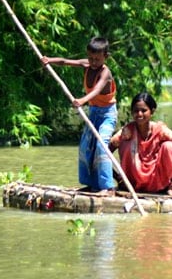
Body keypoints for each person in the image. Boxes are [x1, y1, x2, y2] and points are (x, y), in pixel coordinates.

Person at [41, 37, 118, 194]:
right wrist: (49, 60)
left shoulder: (106, 73)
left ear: (106, 57)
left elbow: (96, 90)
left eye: (97, 59)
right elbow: (65, 62)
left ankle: (107, 186)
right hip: (94, 112)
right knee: (85, 146)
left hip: (107, 114)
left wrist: (82, 100)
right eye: (90, 58)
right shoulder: (87, 64)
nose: (93, 62)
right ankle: (91, 184)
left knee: (101, 146)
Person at [109, 92, 172, 194]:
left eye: (144, 110)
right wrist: (119, 179)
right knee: (126, 144)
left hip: (160, 182)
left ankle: (167, 186)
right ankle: (130, 182)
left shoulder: (160, 130)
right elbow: (103, 154)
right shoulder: (127, 131)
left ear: (152, 111)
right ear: (132, 112)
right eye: (136, 111)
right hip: (132, 185)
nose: (139, 114)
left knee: (169, 146)